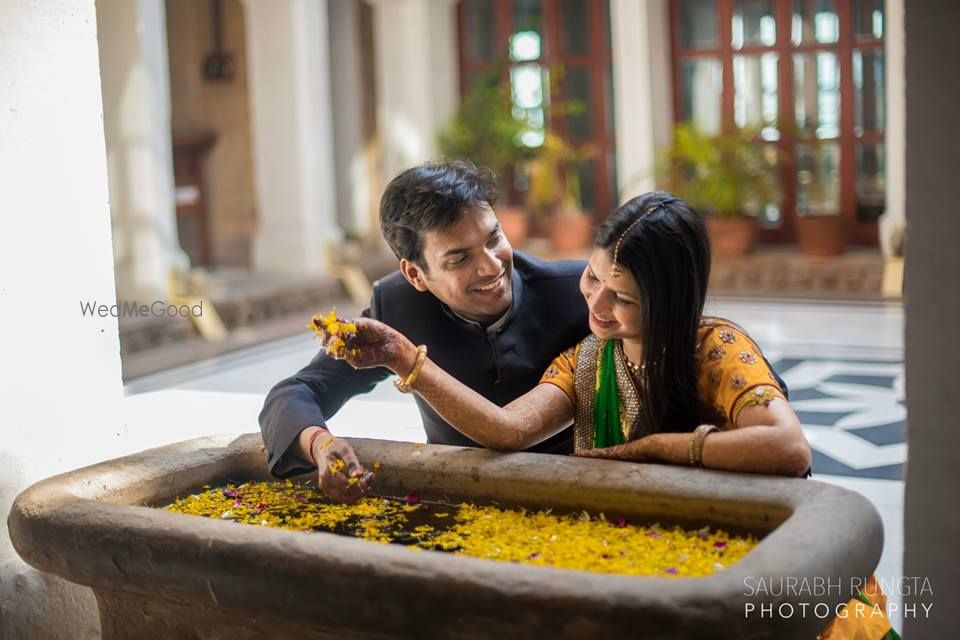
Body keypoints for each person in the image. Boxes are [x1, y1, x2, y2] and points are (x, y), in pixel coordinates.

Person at [334, 192, 810, 477]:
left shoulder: (713, 348)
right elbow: (508, 430)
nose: (597, 306)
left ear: (670, 301)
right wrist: (403, 358)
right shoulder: (589, 359)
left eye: (622, 297)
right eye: (593, 278)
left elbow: (788, 449)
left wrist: (653, 449)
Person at [259, 160, 590, 502]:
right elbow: (297, 391)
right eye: (460, 259)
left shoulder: (577, 294)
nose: (491, 266)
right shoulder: (399, 308)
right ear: (415, 275)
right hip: (455, 502)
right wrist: (319, 443)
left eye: (494, 238)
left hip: (576, 495)